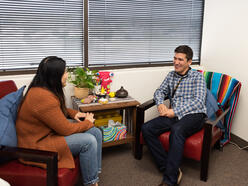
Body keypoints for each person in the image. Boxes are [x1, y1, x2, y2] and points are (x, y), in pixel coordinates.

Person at [16, 56, 102, 186]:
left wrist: (75, 113)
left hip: (47, 135)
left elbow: (56, 110)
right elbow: (66, 129)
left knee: (95, 132)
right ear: (55, 76)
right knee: (88, 141)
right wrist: (88, 122)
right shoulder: (42, 97)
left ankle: (94, 174)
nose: (67, 75)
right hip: (37, 145)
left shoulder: (44, 89)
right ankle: (91, 183)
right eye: (65, 72)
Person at [141, 45, 207, 186]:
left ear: (189, 62)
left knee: (177, 130)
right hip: (174, 115)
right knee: (147, 128)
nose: (176, 62)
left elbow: (199, 101)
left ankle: (169, 180)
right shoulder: (171, 75)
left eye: (180, 59)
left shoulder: (197, 77)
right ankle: (170, 169)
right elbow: (159, 91)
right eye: (175, 58)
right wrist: (160, 104)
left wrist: (174, 111)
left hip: (194, 115)